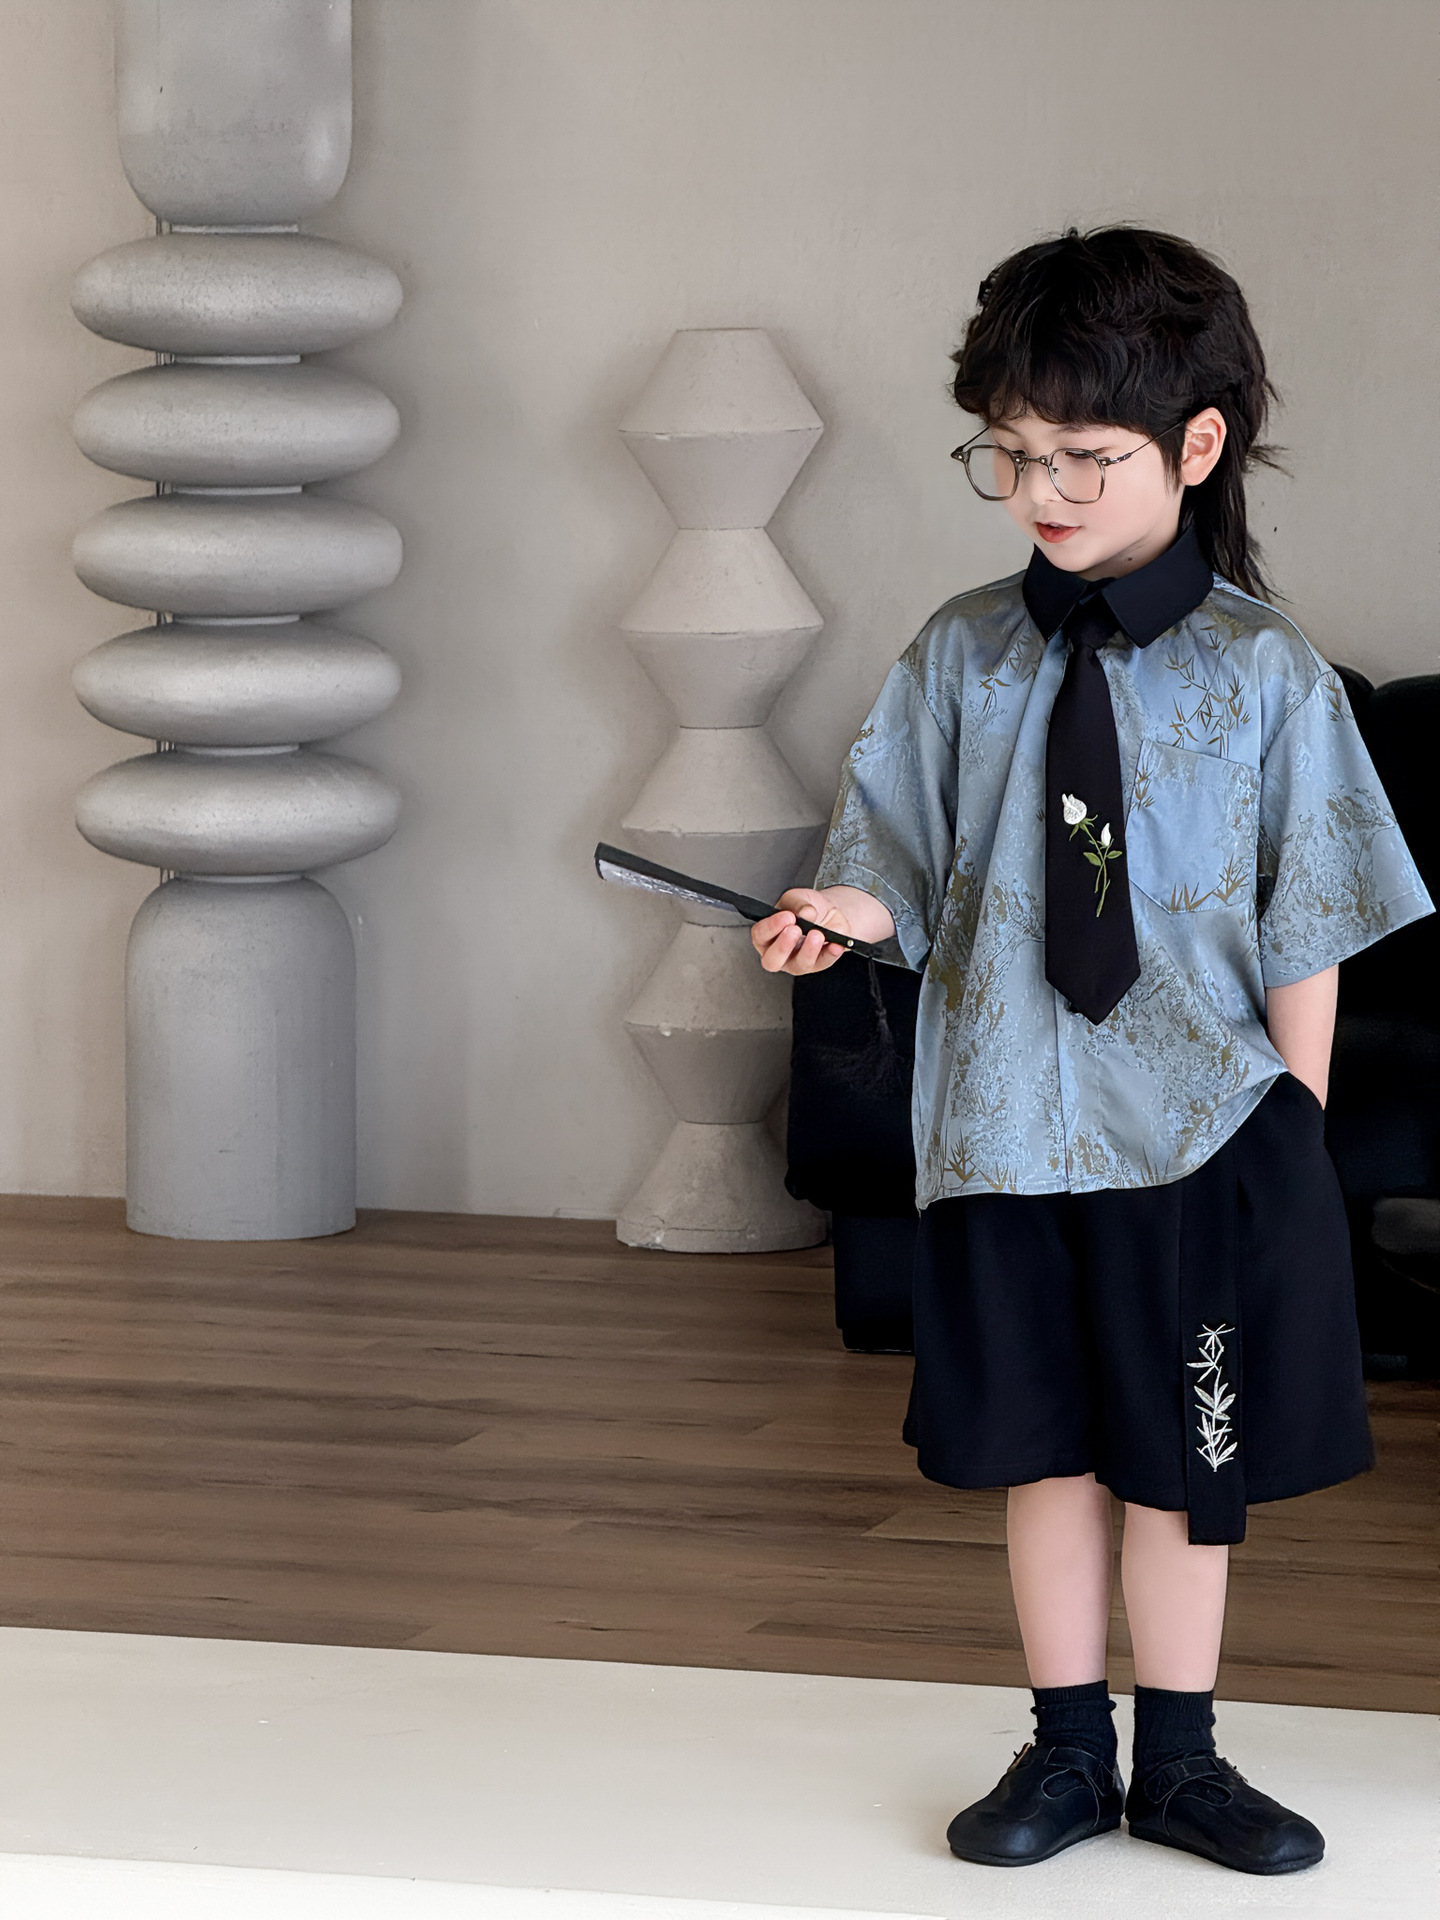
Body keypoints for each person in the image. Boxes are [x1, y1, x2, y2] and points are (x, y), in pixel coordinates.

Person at [750, 226, 1433, 1878]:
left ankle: (1181, 1762)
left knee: (1186, 1467)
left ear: (1195, 447)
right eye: (1010, 454)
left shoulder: (1266, 673)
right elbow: (900, 863)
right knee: (1043, 1453)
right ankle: (1066, 1750)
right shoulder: (959, 654)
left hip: (1200, 1134)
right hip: (1001, 1131)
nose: (1039, 491)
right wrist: (840, 912)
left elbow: (1312, 918)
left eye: (1082, 456)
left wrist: (1293, 1132)